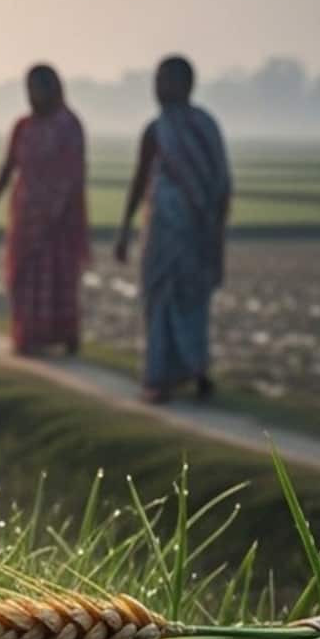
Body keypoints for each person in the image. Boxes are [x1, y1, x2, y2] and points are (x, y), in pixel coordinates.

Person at [115, 55, 232, 403]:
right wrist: (124, 229)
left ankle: (196, 371)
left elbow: (221, 181)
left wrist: (217, 229)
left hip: (197, 232)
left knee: (193, 302)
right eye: (157, 80)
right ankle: (161, 377)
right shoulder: (156, 130)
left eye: (166, 80)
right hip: (162, 233)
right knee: (160, 301)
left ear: (186, 85)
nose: (159, 87)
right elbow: (140, 179)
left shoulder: (204, 126)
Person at [0, 63, 87, 356]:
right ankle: (29, 335)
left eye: (38, 89)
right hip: (26, 217)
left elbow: (73, 175)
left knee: (60, 280)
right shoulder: (23, 127)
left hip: (60, 221)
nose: (33, 96)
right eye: (29, 90)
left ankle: (65, 335)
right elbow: (8, 167)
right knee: (24, 278)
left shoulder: (68, 126)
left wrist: (55, 208)